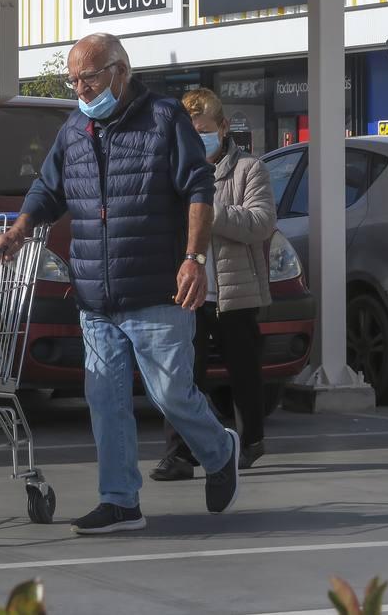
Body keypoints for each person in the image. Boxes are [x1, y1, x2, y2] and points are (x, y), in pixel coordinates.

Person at [0, 33, 240, 535]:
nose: (81, 89)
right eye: (74, 80)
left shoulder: (165, 119)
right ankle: (121, 500)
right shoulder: (74, 130)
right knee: (105, 400)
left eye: (89, 78)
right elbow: (48, 188)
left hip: (156, 288)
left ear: (120, 73)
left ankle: (219, 449)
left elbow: (198, 187)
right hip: (94, 295)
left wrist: (193, 258)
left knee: (170, 393)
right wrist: (21, 227)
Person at [151, 89, 276, 482]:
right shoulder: (172, 172)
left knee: (243, 372)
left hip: (233, 293)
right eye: (191, 133)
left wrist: (209, 211)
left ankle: (250, 439)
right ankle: (180, 455)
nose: (198, 139)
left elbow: (261, 222)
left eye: (204, 131)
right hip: (187, 292)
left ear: (222, 128)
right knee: (183, 376)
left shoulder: (248, 170)